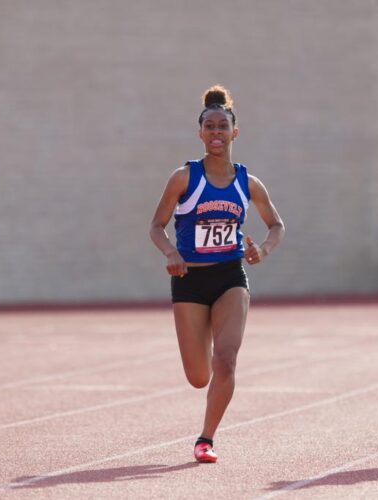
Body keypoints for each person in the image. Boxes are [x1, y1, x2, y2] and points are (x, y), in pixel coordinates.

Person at [150, 85, 285, 461]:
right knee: (198, 376)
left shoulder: (248, 182)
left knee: (225, 360)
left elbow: (277, 225)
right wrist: (171, 252)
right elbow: (156, 226)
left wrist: (263, 249)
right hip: (189, 280)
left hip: (230, 277)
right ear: (200, 133)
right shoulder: (184, 178)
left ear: (234, 133)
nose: (216, 133)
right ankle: (203, 334)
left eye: (222, 126)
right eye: (209, 127)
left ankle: (206, 438)